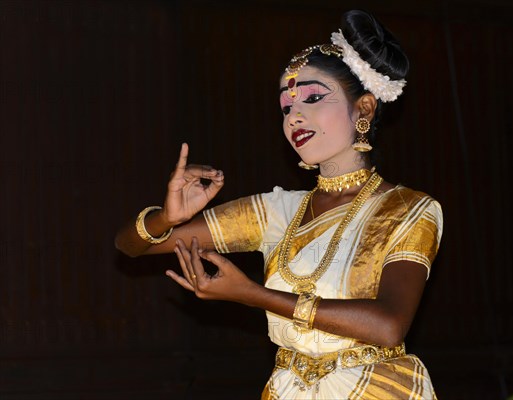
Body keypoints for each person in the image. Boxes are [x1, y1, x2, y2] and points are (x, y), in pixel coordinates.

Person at [115, 9, 443, 399]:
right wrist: (165, 217)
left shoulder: (408, 208)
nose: (295, 117)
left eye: (313, 98)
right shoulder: (277, 211)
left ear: (365, 109)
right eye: (286, 108)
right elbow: (132, 247)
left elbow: (389, 325)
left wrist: (253, 295)